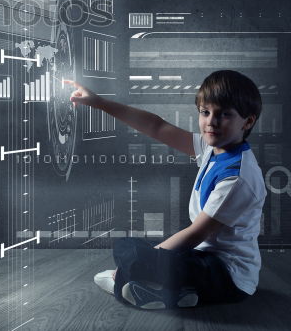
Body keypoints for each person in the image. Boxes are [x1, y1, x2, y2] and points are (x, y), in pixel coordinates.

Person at [64, 70, 267, 309]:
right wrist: (99, 103)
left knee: (135, 253)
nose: (211, 121)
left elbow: (195, 235)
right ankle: (175, 292)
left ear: (248, 121)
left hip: (227, 277)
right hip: (202, 258)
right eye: (205, 112)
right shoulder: (212, 147)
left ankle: (137, 283)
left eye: (224, 115)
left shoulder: (237, 178)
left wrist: (150, 260)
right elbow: (156, 126)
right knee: (127, 245)